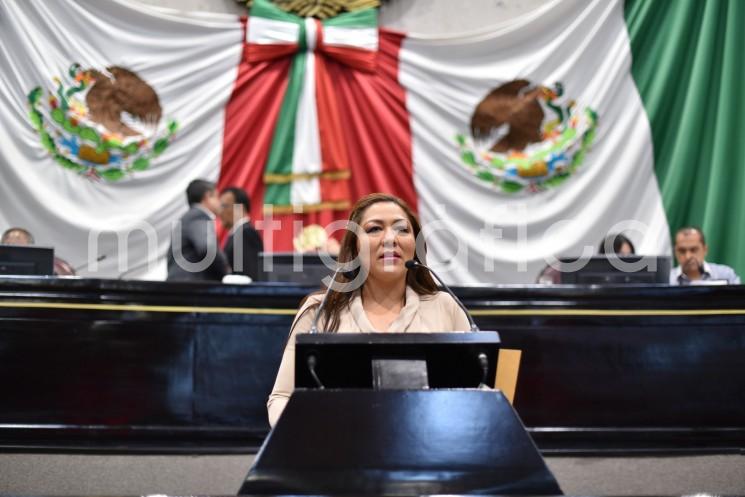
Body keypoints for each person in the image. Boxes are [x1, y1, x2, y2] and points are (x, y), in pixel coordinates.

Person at [266, 193, 471, 427]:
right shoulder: (319, 311)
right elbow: (282, 398)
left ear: (415, 245)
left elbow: (477, 392)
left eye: (402, 229)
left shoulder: (446, 306)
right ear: (354, 246)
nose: (390, 238)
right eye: (374, 229)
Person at [166, 179, 229, 282]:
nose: (220, 203)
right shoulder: (199, 216)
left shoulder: (189, 217)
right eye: (217, 197)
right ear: (208, 196)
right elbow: (207, 249)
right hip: (191, 288)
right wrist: (226, 272)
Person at [219, 186, 264, 281]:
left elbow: (249, 276)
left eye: (225, 206)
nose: (220, 212)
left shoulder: (245, 233)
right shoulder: (237, 233)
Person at [670, 226, 740, 285]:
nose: (688, 256)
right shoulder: (667, 280)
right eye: (682, 251)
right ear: (675, 252)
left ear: (705, 250)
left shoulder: (726, 275)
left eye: (694, 250)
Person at [1, 227, 75, 276]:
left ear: (29, 243)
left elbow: (69, 277)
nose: (11, 240)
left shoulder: (51, 261)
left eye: (17, 238)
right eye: (7, 238)